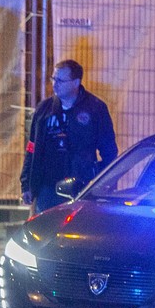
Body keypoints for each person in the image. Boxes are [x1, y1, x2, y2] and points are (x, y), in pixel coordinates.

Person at [20, 59, 118, 214]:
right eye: (53, 78)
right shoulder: (44, 110)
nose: (54, 84)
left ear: (76, 82)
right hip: (48, 188)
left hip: (81, 187)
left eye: (60, 80)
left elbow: (109, 151)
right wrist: (27, 184)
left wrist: (105, 183)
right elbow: (32, 148)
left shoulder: (95, 108)